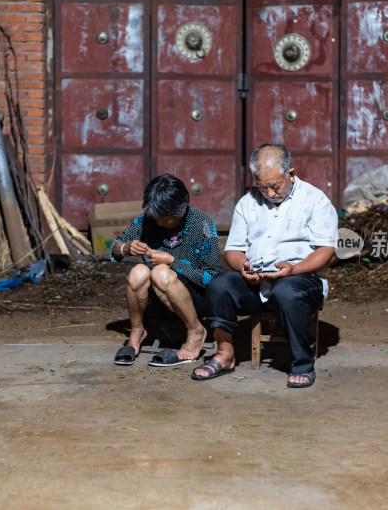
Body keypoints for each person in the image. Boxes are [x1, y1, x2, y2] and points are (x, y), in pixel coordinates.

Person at [192, 144, 337, 388]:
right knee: (219, 285)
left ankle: (302, 364)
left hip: (301, 279)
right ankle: (224, 354)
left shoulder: (315, 200)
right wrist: (244, 267)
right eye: (262, 186)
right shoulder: (247, 203)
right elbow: (233, 250)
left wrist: (294, 269)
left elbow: (326, 250)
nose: (269, 193)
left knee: (286, 291)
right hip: (257, 281)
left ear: (290, 173)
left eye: (275, 186)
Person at [110, 174, 219, 367]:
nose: (158, 222)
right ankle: (137, 331)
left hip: (194, 300)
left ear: (181, 210)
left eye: (163, 218)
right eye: (155, 216)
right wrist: (126, 248)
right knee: (138, 272)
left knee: (160, 272)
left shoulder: (202, 224)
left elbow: (210, 278)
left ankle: (196, 330)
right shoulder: (148, 220)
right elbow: (115, 247)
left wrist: (173, 261)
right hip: (155, 301)